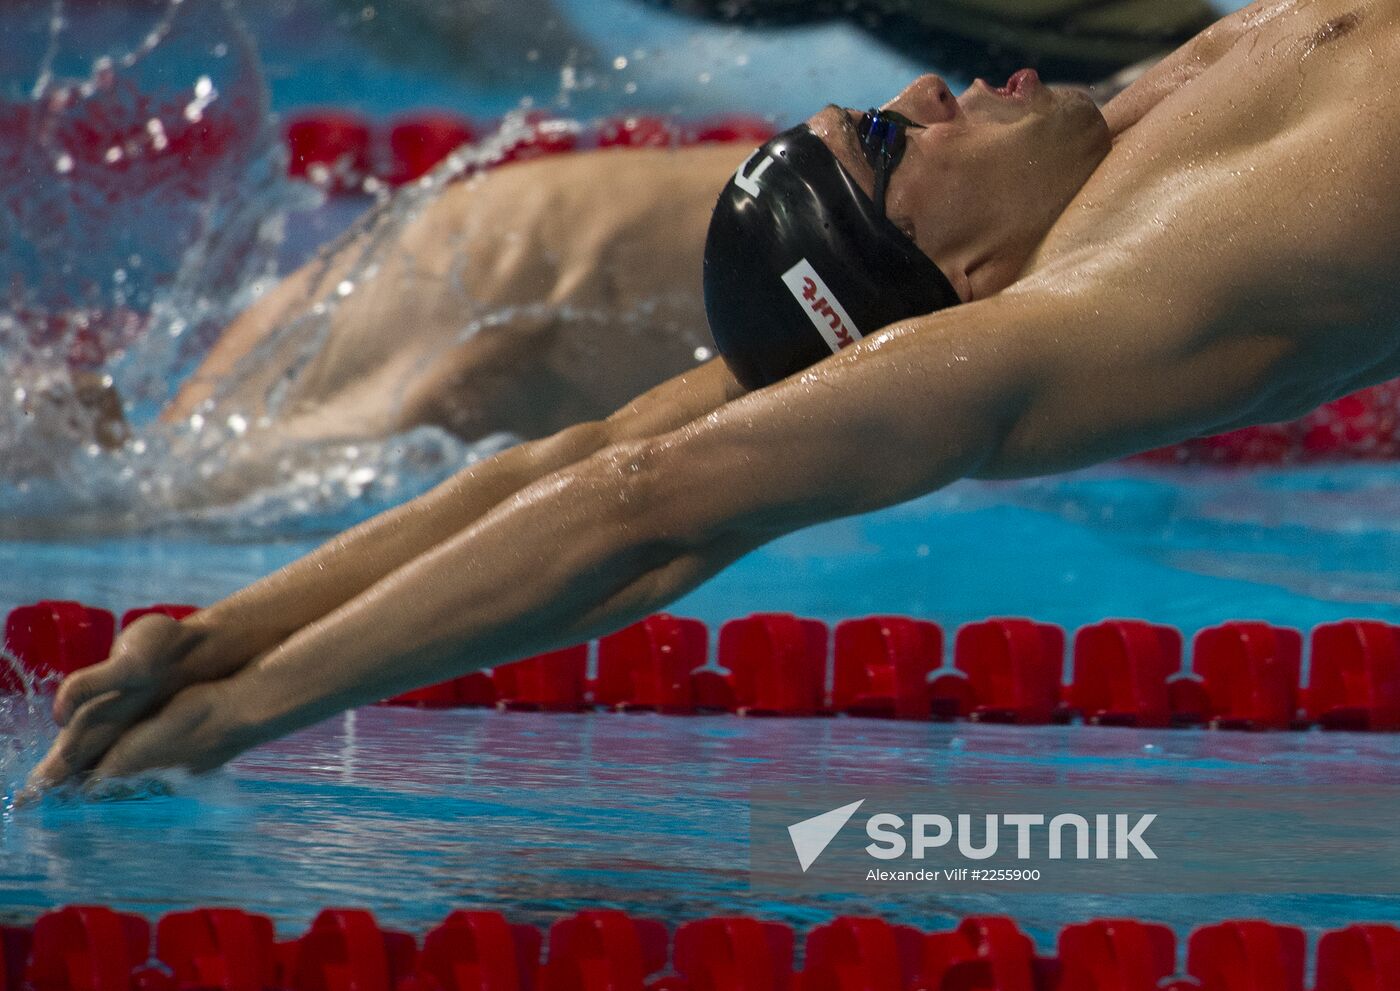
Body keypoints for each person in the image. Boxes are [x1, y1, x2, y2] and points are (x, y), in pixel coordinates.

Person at [29, 0, 1400, 787]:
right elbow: (648, 509)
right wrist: (231, 718)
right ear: (956, 279)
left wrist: (214, 631)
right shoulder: (1103, 302)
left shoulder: (1107, 137)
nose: (922, 88)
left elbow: (595, 444)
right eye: (887, 140)